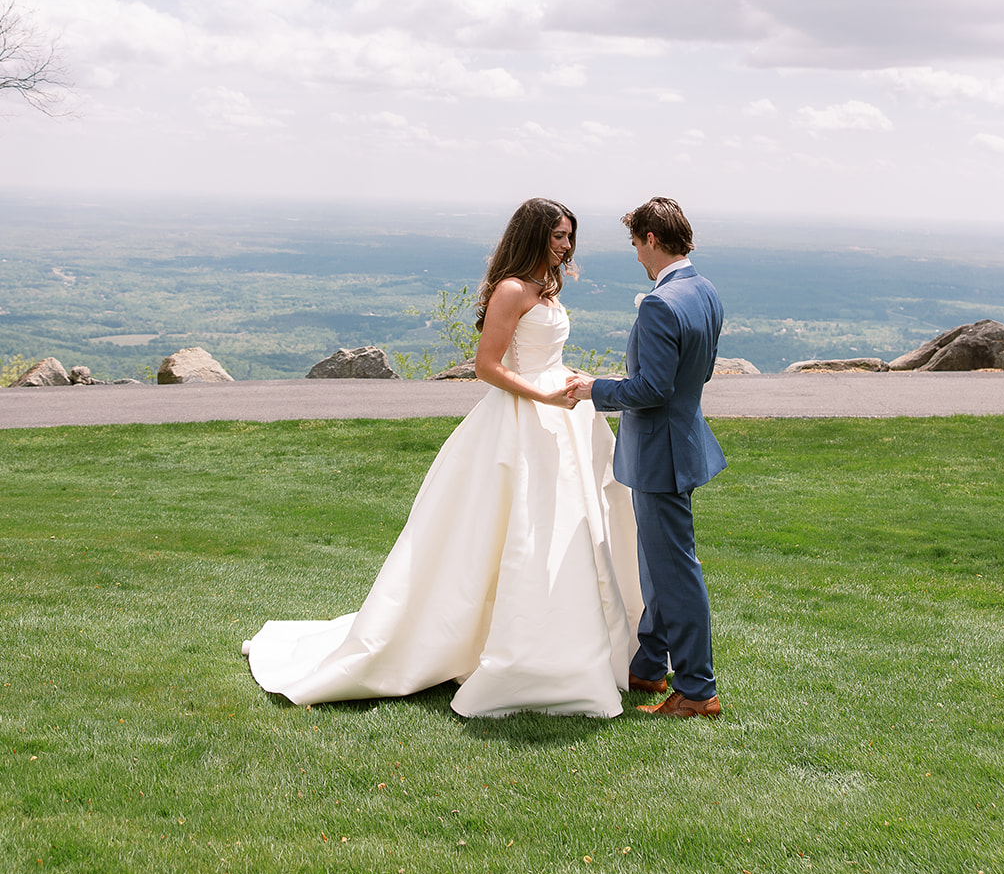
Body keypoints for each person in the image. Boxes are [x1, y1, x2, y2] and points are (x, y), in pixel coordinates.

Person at [242, 198, 642, 718]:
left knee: (569, 528)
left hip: (567, 417)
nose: (565, 247)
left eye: (569, 237)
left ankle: (571, 643)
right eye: (556, 237)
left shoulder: (547, 286)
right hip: (522, 418)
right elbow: (487, 366)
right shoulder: (512, 289)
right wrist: (541, 395)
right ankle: (500, 648)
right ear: (531, 237)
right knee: (512, 529)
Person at [567, 197, 725, 719]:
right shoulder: (703, 290)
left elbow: (653, 388)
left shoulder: (660, 304)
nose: (636, 254)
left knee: (675, 569)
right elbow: (693, 376)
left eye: (636, 243)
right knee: (658, 564)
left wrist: (596, 388)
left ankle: (698, 690)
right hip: (684, 443)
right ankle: (650, 665)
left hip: (661, 453)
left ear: (652, 240)